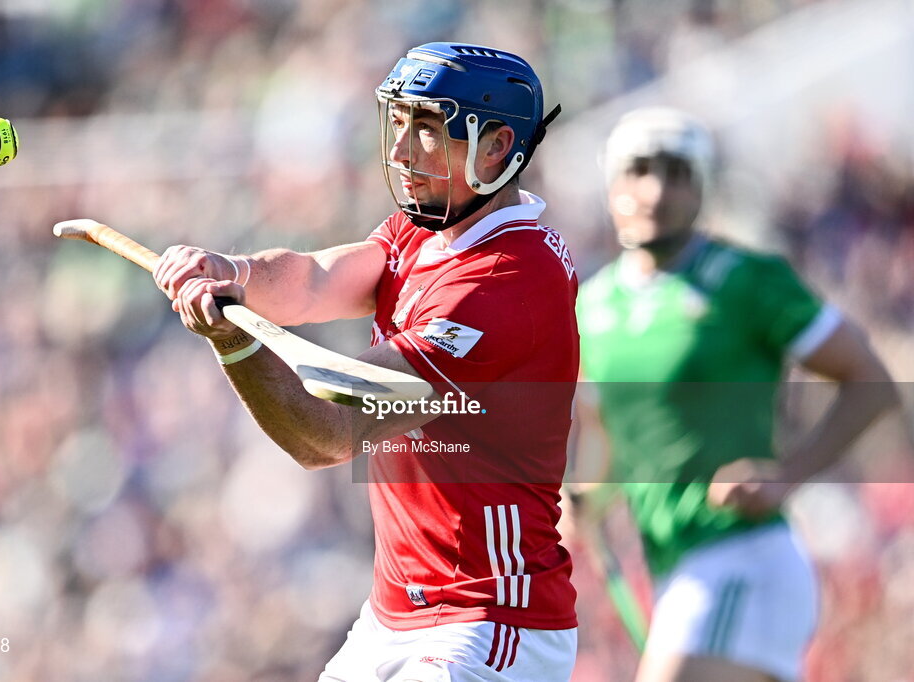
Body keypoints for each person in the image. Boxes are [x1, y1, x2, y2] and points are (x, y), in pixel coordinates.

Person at [152, 43, 580, 681]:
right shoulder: (428, 229)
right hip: (393, 616)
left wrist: (232, 342)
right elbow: (317, 279)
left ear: (495, 148)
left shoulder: (506, 279)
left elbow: (324, 433)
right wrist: (230, 273)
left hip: (491, 621)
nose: (403, 152)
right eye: (401, 125)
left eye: (429, 131)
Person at [571, 107, 899, 682]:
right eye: (639, 170)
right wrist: (586, 501)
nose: (655, 189)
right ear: (612, 185)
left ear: (701, 188)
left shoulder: (748, 280)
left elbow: (870, 381)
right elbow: (605, 432)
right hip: (675, 571)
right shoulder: (593, 306)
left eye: (676, 173)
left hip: (742, 557)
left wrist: (789, 473)